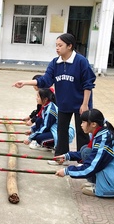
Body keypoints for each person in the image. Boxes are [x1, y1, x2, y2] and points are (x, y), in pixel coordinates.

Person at [13, 33, 96, 165]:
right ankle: (60, 158)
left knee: (83, 132)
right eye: (56, 45)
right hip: (63, 103)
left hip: (81, 103)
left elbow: (88, 84)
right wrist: (25, 82)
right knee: (61, 131)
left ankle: (83, 160)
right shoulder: (55, 63)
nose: (57, 48)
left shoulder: (81, 61)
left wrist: (85, 104)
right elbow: (46, 80)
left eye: (60, 45)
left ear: (69, 46)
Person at [54, 109, 114, 198]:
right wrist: (67, 156)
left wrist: (67, 171)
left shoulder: (103, 139)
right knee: (85, 150)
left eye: (83, 122)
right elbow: (93, 154)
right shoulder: (101, 132)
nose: (81, 125)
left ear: (93, 124)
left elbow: (92, 166)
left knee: (87, 153)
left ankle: (103, 188)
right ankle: (98, 182)